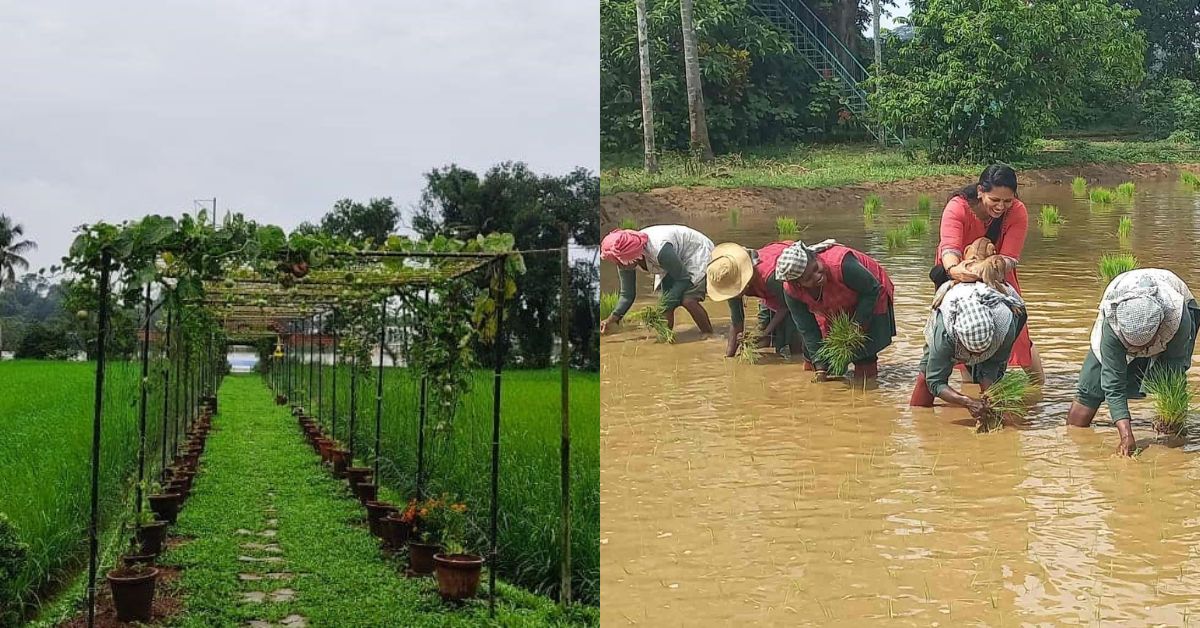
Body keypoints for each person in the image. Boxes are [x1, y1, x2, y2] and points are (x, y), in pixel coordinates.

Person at [1066, 269, 1200, 456]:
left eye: (1143, 346)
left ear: (1157, 333)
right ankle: (1071, 437)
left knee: (1171, 384)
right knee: (1090, 387)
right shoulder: (1113, 324)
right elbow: (1113, 383)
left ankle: (1175, 442)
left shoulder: (1176, 318)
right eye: (1130, 346)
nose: (1136, 353)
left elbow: (1174, 371)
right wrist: (1126, 434)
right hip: (1123, 311)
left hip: (1174, 305)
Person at [933, 164, 1043, 382]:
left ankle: (1039, 387)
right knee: (960, 331)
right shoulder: (957, 208)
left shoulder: (1017, 211)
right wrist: (962, 271)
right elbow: (950, 253)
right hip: (958, 272)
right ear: (980, 191)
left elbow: (1010, 258)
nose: (1001, 207)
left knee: (1017, 333)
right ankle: (971, 385)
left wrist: (988, 268)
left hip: (997, 270)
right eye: (995, 200)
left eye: (1007, 201)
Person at [909, 255, 1028, 421]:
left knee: (992, 388)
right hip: (949, 316)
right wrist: (967, 401)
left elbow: (991, 369)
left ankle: (998, 426)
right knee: (926, 376)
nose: (977, 356)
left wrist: (989, 400)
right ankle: (918, 420)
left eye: (983, 352)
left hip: (999, 320)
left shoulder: (1004, 326)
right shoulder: (945, 333)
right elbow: (935, 382)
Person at [775, 239, 895, 384]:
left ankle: (867, 388)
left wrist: (855, 328)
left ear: (815, 257)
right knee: (813, 356)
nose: (817, 276)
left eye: (815, 268)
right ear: (798, 284)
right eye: (809, 278)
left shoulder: (842, 265)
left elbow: (872, 290)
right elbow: (807, 328)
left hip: (870, 292)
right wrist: (820, 367)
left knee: (864, 352)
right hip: (835, 303)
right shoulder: (791, 292)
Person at [600, 225, 715, 335]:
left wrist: (665, 303)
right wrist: (612, 319)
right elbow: (627, 295)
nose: (620, 266)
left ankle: (708, 334)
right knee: (666, 302)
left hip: (695, 252)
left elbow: (683, 279)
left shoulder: (659, 250)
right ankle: (666, 336)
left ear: (632, 256)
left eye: (621, 262)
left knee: (688, 300)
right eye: (617, 262)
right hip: (671, 261)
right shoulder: (624, 260)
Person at [705, 241, 804, 359]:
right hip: (768, 294)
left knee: (792, 341)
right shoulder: (729, 278)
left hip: (791, 284)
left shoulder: (769, 277)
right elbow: (736, 322)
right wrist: (729, 356)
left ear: (744, 284)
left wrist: (765, 332)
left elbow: (786, 306)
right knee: (763, 340)